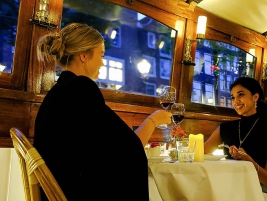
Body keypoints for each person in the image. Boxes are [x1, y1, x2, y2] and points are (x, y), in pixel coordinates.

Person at [34, 23, 172, 201]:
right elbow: (129, 149)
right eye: (101, 55)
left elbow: (105, 149)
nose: (102, 62)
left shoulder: (59, 92)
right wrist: (153, 120)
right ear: (84, 56)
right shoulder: (81, 88)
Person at [204, 77, 267, 201]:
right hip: (228, 186)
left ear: (255, 97)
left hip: (260, 190)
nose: (236, 101)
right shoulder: (226, 128)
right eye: (233, 97)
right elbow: (201, 151)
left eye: (240, 95)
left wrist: (249, 161)